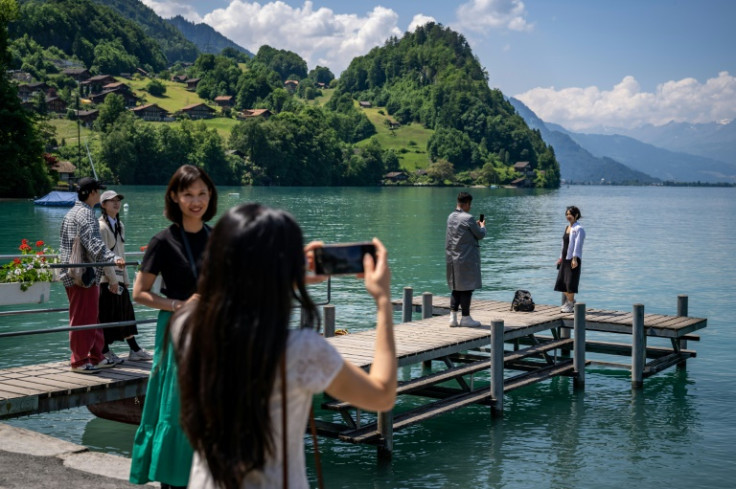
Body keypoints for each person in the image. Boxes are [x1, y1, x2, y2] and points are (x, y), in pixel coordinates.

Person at [176, 203, 397, 489]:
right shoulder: (302, 350)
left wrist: (282, 276)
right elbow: (382, 396)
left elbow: (221, 294)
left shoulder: (187, 327)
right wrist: (383, 301)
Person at [129, 165, 218, 489]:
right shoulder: (162, 241)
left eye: (202, 193)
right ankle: (171, 479)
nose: (196, 201)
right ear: (174, 197)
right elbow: (139, 293)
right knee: (176, 407)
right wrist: (177, 304)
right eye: (188, 194)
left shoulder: (217, 238)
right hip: (177, 329)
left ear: (211, 195)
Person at [59, 177, 126, 374]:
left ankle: (97, 356)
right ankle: (79, 361)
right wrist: (113, 258)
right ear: (90, 193)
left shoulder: (71, 213)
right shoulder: (87, 215)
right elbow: (94, 244)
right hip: (83, 275)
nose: (99, 193)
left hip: (73, 272)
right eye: (97, 191)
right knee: (83, 319)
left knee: (91, 316)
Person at [98, 190, 152, 363]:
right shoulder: (100, 227)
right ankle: (104, 350)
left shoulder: (119, 225)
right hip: (106, 279)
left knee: (126, 312)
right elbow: (103, 255)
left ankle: (134, 350)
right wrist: (112, 280)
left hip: (119, 277)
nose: (116, 203)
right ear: (103, 205)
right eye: (111, 201)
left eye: (118, 200)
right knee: (107, 315)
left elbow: (122, 254)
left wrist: (126, 280)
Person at [445, 191, 486, 327]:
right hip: (466, 258)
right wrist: (482, 225)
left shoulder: (450, 217)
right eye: (470, 204)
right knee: (467, 288)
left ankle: (453, 317)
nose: (470, 207)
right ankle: (466, 317)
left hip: (452, 258)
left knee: (456, 287)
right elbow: (480, 235)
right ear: (467, 204)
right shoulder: (468, 218)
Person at [554, 205, 586, 313]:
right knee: (561, 283)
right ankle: (571, 302)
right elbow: (564, 244)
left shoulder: (579, 229)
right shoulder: (567, 227)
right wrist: (560, 258)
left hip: (573, 260)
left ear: (576, 215)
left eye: (570, 214)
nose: (568, 216)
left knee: (570, 284)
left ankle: (571, 304)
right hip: (564, 259)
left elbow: (578, 245)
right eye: (567, 214)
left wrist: (575, 259)